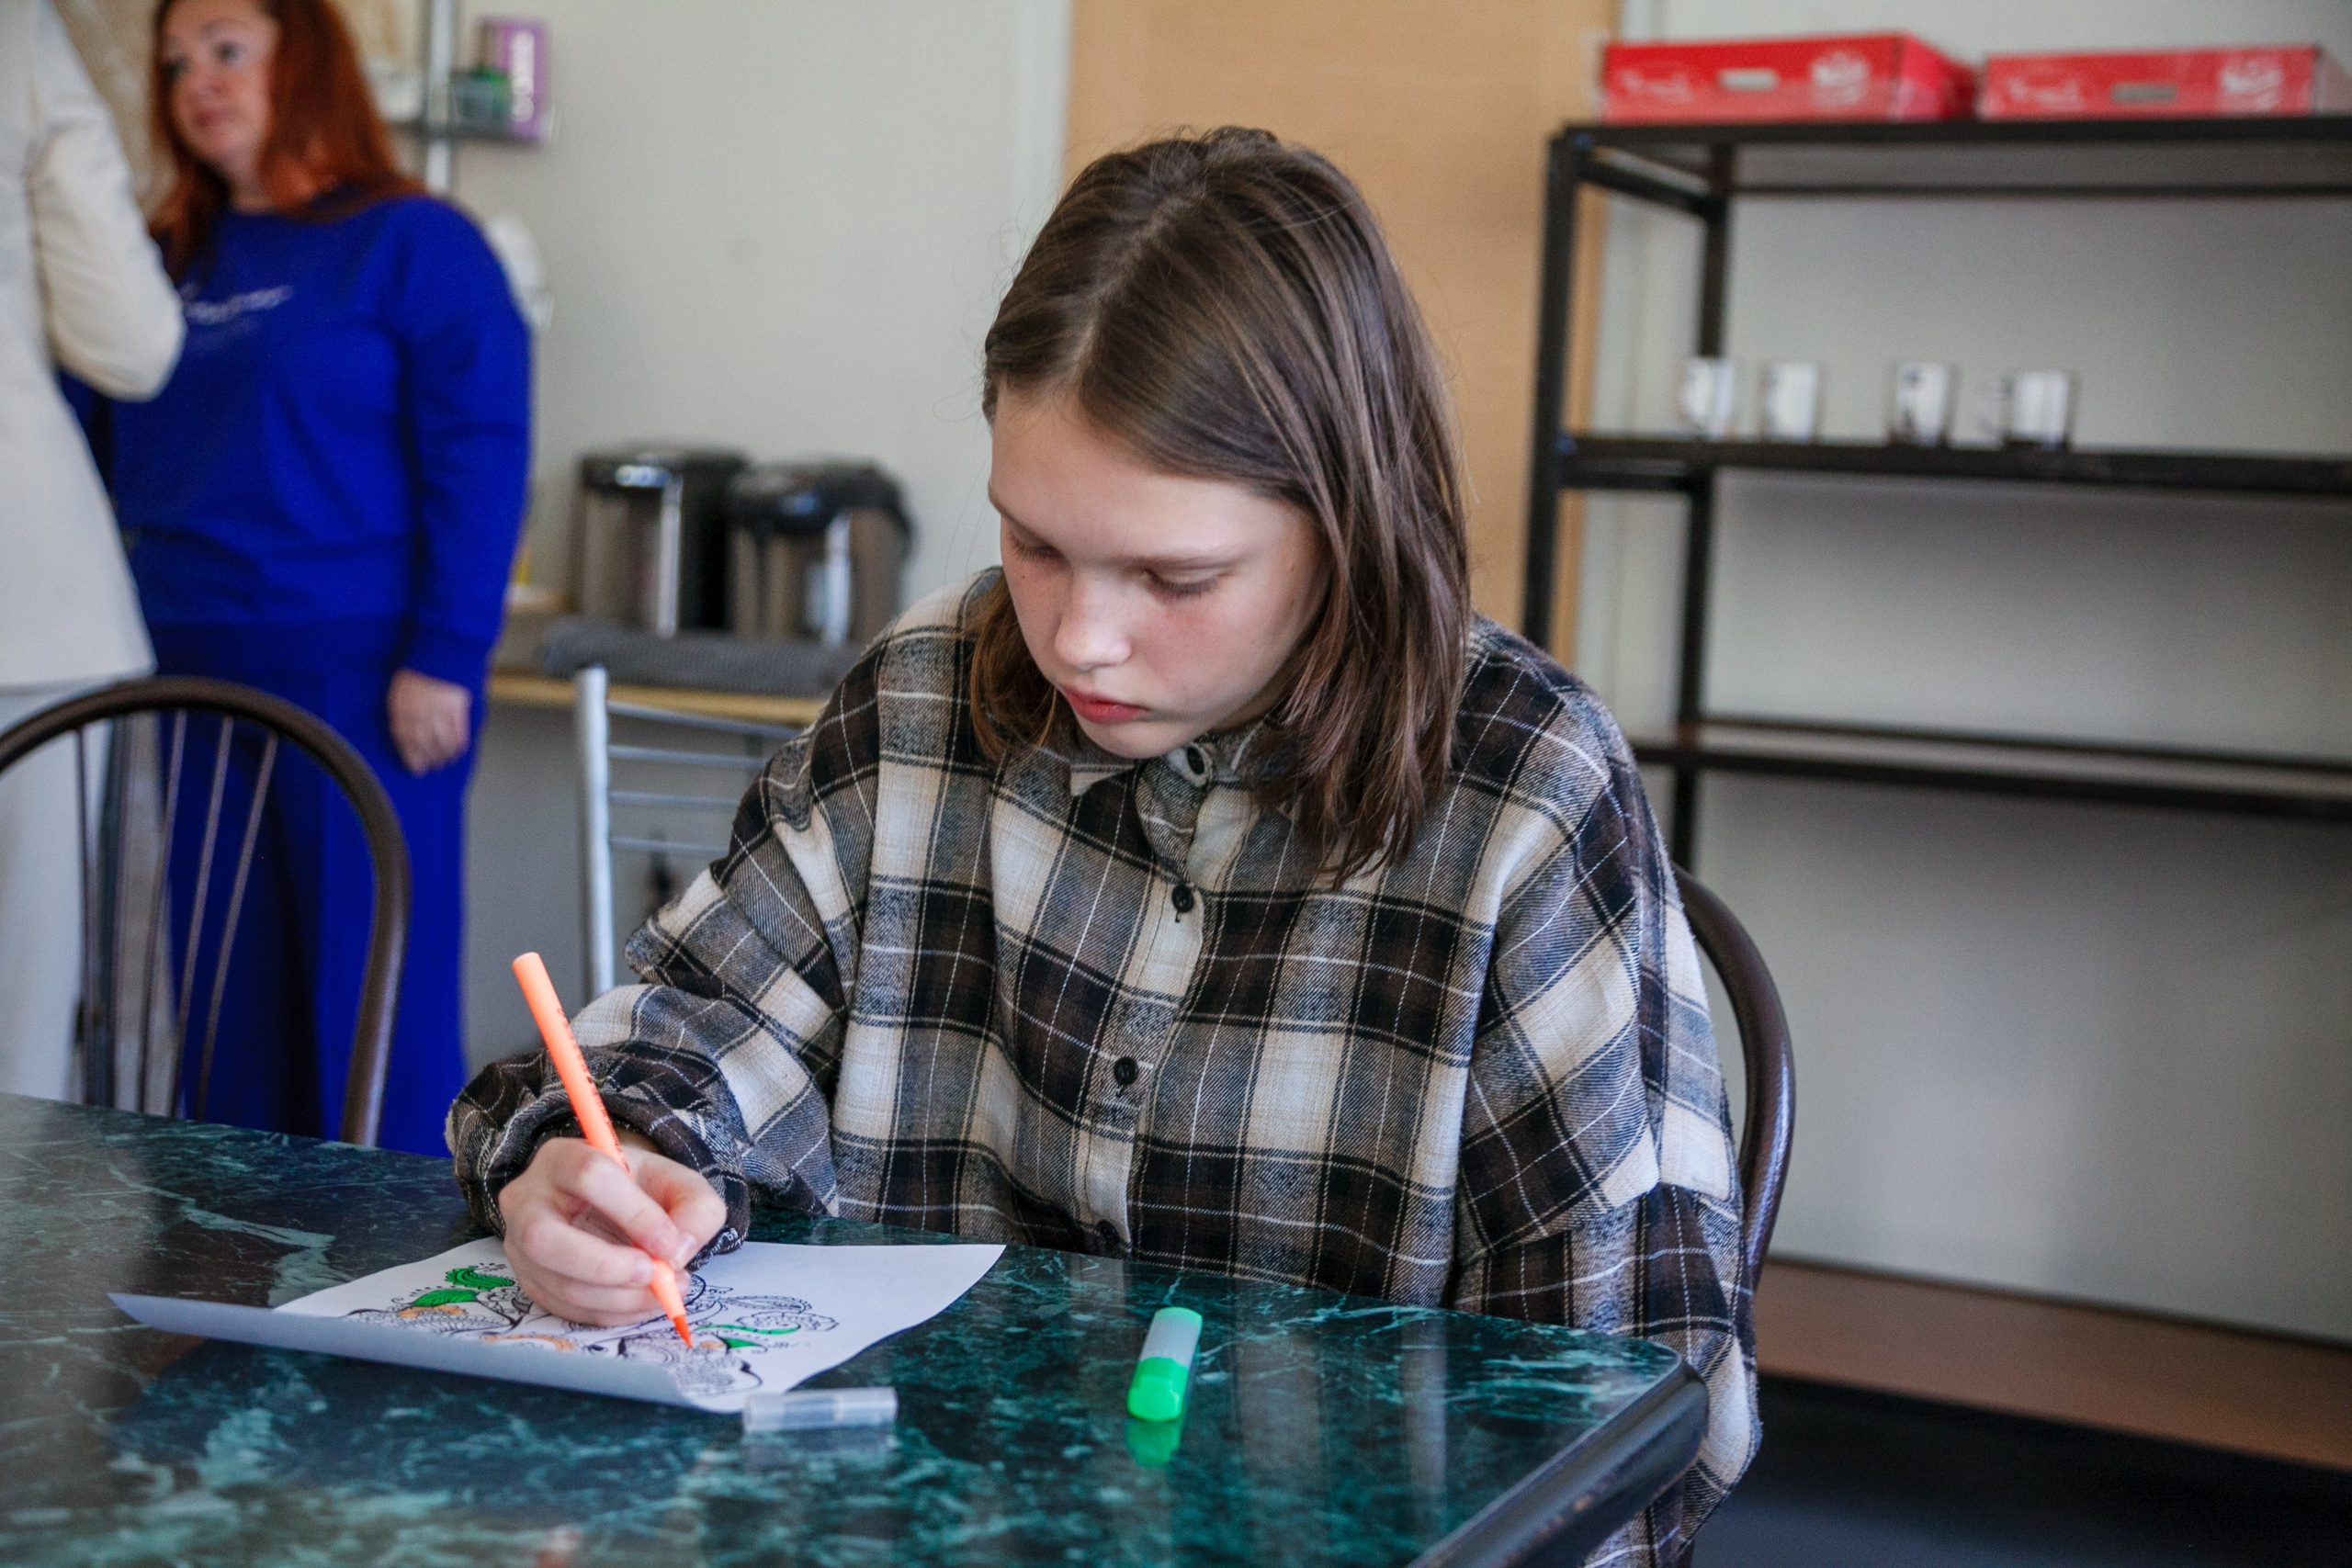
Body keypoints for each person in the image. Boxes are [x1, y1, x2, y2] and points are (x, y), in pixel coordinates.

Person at [453, 130, 1753, 1561]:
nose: (1078, 638)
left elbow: (1632, 1401)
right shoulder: (929, 689)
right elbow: (695, 1022)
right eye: (1034, 543)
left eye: (1174, 575)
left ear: (1349, 524)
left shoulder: (1526, 792)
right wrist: (617, 1160)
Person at [74, 0, 529, 1153]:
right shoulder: (158, 258)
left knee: (363, 1009)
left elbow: (480, 457)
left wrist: (447, 654)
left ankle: (390, 1249)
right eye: (176, 62)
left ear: (307, 62)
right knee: (221, 1014)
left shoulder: (414, 243)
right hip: (181, 676)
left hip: (362, 678)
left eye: (228, 49)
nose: (197, 81)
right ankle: (233, 1249)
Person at [0, 0, 184, 1100]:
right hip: (32, 601)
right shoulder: (19, 34)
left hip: (40, 611)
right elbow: (130, 341)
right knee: (25, 1017)